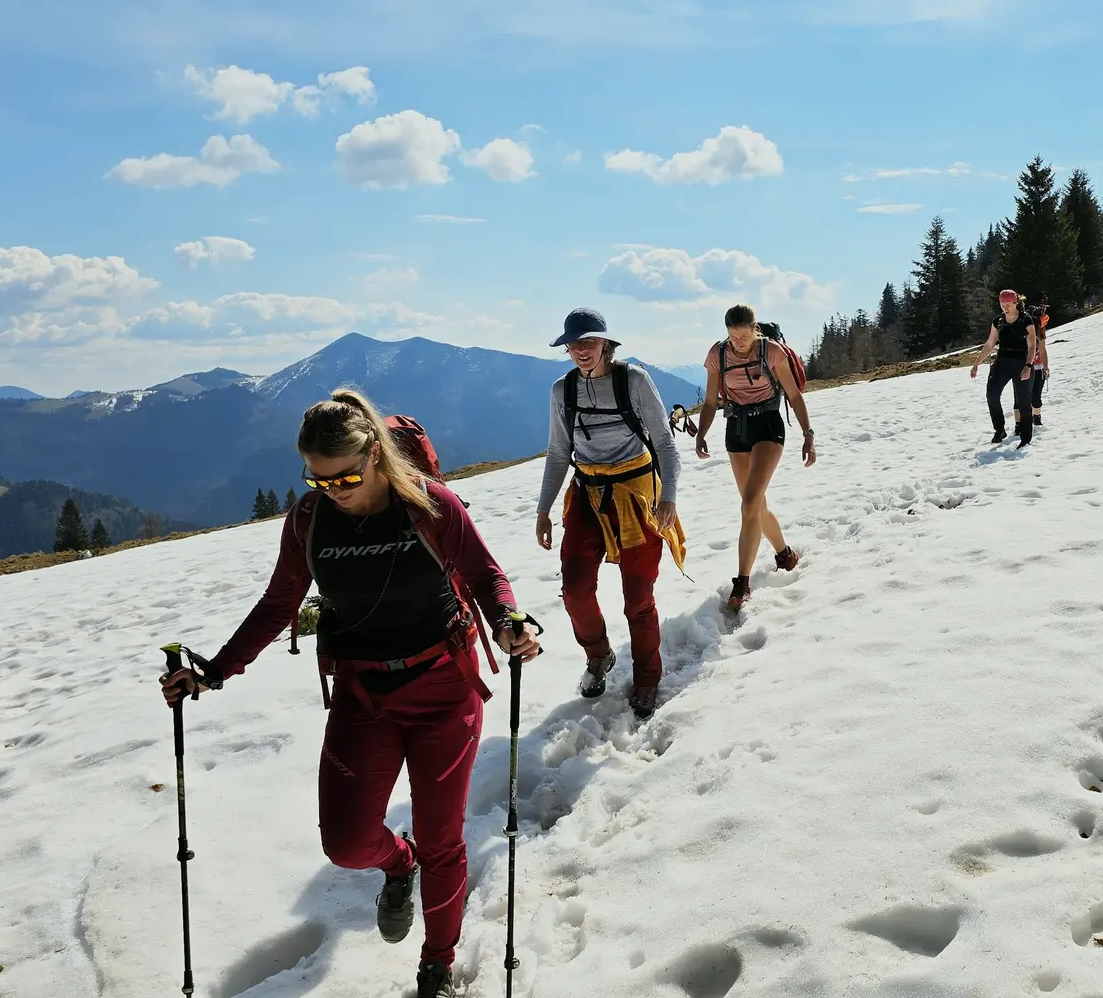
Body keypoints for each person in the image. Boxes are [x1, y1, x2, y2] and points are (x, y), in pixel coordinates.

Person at [158, 389, 541, 998]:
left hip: (445, 686)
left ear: (377, 457)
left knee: (444, 839)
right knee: (346, 843)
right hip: (363, 694)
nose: (332, 490)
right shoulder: (310, 520)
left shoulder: (429, 505)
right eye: (317, 479)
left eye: (346, 477)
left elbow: (484, 573)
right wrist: (215, 670)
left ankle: (436, 962)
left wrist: (510, 621)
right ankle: (398, 862)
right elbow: (279, 602)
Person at [535, 308, 685, 721]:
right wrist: (543, 509)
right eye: (574, 344)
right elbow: (558, 453)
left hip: (637, 496)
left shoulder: (633, 380)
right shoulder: (561, 391)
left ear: (606, 342)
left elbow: (666, 445)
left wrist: (668, 497)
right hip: (587, 495)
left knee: (638, 598)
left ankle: (647, 678)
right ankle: (598, 655)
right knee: (574, 589)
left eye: (589, 341)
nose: (581, 350)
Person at [694, 304, 815, 614]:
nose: (739, 342)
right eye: (733, 337)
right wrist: (701, 433)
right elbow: (710, 402)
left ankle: (742, 582)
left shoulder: (772, 352)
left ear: (755, 328)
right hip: (736, 430)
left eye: (744, 336)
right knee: (757, 505)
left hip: (768, 428)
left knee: (748, 503)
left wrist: (807, 434)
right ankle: (784, 554)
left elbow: (794, 395)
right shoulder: (717, 355)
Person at [970, 289, 1038, 447]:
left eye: (1008, 305)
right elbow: (989, 344)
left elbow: (1032, 344)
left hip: (1022, 361)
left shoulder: (1026, 320)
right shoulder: (998, 321)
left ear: (1016, 303)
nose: (1005, 308)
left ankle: (1026, 438)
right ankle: (999, 429)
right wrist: (976, 364)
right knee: (991, 395)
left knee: (1023, 401)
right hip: (1002, 361)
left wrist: (1028, 365)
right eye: (1002, 305)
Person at [1028, 302, 1051, 426]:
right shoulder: (1040, 328)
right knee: (1035, 395)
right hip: (1037, 366)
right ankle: (1036, 417)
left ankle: (1035, 416)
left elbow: (1042, 350)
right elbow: (1042, 350)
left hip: (1029, 366)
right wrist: (1046, 368)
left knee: (1032, 395)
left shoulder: (1026, 328)